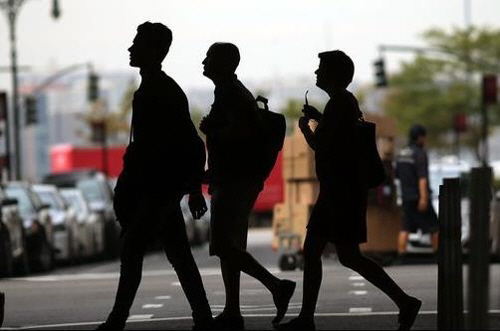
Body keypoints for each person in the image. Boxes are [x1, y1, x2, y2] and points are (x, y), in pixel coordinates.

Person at [277, 50, 421, 331]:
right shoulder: (343, 103)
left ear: (332, 74)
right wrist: (320, 118)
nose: (316, 73)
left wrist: (306, 129)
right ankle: (404, 302)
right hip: (343, 192)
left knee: (320, 251)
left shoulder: (339, 103)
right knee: (344, 255)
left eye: (321, 68)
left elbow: (324, 146)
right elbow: (340, 136)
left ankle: (308, 318)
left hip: (338, 194)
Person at [96, 22, 213, 331]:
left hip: (157, 189)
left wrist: (191, 189)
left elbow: (186, 142)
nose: (131, 49)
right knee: (179, 255)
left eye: (138, 43)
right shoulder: (155, 89)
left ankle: (117, 320)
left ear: (155, 51)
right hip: (160, 188)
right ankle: (203, 317)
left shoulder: (158, 91)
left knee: (133, 248)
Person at [200, 42, 296, 330]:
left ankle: (276, 286)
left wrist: (212, 130)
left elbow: (239, 135)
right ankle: (232, 311)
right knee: (232, 247)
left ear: (225, 64)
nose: (204, 61)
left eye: (210, 58)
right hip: (234, 179)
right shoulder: (230, 91)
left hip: (234, 181)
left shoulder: (232, 93)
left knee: (222, 245)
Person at [395, 124, 439, 257]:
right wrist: (424, 198)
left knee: (405, 227)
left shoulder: (402, 153)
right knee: (434, 227)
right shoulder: (420, 154)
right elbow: (422, 179)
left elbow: (397, 175)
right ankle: (438, 253)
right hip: (418, 196)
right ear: (420, 137)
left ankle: (401, 254)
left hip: (406, 196)